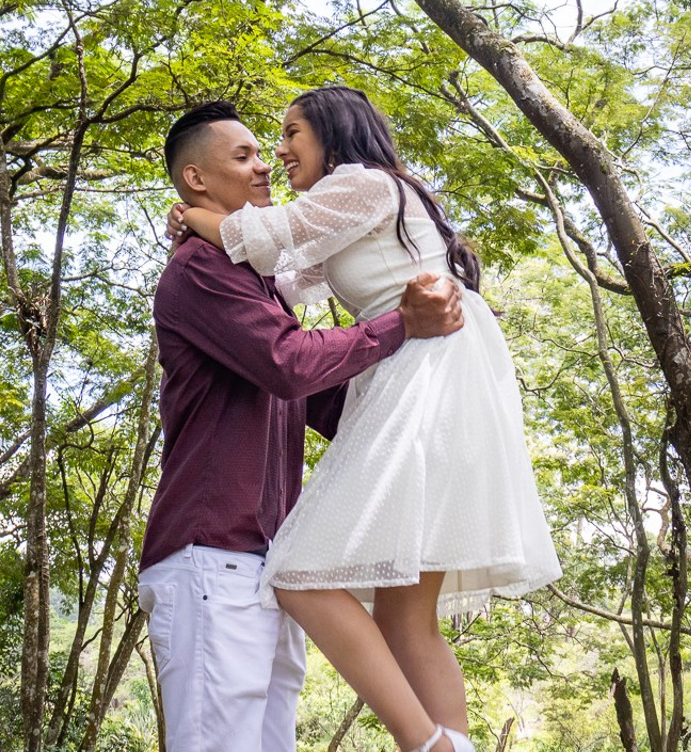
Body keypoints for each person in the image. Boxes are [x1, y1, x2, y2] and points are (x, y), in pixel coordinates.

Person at [170, 86, 562, 752]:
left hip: (425, 371)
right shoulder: (352, 206)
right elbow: (282, 279)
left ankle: (426, 745)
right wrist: (209, 241)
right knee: (406, 616)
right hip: (430, 373)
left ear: (333, 132)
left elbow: (261, 240)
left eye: (291, 133)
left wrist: (193, 217)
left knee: (297, 572)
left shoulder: (363, 185)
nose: (281, 153)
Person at [138, 100, 465, 752]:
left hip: (260, 564)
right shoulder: (201, 272)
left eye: (267, 150)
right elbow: (290, 364)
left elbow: (318, 400)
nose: (264, 165)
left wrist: (430, 422)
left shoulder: (257, 282)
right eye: (244, 156)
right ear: (196, 180)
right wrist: (402, 323)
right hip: (212, 557)